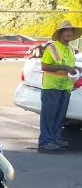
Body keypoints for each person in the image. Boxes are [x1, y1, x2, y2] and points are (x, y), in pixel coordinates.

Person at [39, 20, 81, 152]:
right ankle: (45, 141)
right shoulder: (52, 48)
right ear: (60, 33)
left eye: (71, 31)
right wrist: (65, 67)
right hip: (52, 87)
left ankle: (55, 138)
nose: (69, 33)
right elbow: (44, 66)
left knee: (59, 116)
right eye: (66, 30)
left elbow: (70, 67)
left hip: (66, 87)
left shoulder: (70, 49)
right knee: (49, 116)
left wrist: (76, 69)